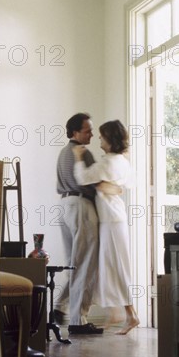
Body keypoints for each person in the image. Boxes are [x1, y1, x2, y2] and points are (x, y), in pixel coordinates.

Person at [73, 120, 140, 335]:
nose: (98, 139)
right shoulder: (121, 161)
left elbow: (82, 178)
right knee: (113, 266)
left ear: (109, 140)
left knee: (117, 267)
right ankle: (117, 313)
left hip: (110, 220)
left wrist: (78, 159)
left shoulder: (107, 163)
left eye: (101, 136)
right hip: (116, 218)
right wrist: (114, 187)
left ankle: (131, 315)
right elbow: (130, 184)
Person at [55, 112, 103, 334]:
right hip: (82, 206)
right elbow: (93, 184)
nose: (92, 134)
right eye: (88, 130)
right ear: (75, 132)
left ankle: (59, 307)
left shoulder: (63, 153)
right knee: (84, 264)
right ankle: (78, 319)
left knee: (72, 263)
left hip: (64, 207)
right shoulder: (83, 153)